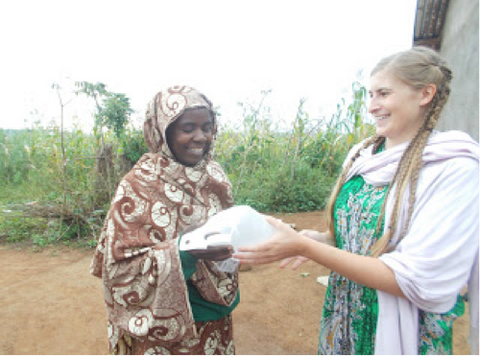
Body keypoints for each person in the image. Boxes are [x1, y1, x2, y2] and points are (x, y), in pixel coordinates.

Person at [235, 46, 480, 356]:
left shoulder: (452, 167)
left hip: (403, 333)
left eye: (384, 93)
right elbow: (356, 238)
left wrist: (305, 247)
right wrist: (320, 239)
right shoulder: (362, 155)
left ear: (425, 94)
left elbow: (415, 280)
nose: (372, 106)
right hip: (344, 320)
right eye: (370, 94)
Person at [91, 86, 239, 355]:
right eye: (188, 128)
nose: (200, 137)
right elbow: (119, 270)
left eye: (207, 127)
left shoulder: (214, 175)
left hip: (215, 316)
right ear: (162, 131)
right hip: (161, 329)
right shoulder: (138, 186)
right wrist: (183, 250)